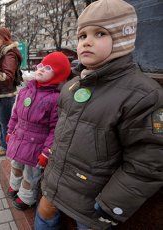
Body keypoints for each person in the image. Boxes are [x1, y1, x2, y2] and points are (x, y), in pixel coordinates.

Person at [35, 0, 163, 229]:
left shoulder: (143, 95)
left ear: (123, 38)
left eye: (100, 33)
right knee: (43, 219)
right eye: (82, 35)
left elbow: (149, 160)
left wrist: (112, 204)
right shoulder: (73, 86)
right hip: (56, 186)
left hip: (94, 201)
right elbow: (63, 133)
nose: (87, 42)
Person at [6, 52, 71, 211]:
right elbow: (15, 114)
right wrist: (9, 130)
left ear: (59, 74)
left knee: (31, 174)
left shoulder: (55, 99)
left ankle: (26, 197)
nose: (41, 69)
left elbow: (55, 129)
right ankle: (15, 185)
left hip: (36, 146)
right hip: (19, 138)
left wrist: (47, 152)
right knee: (15, 164)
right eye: (41, 65)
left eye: (48, 68)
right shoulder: (24, 91)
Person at [0, 27, 22, 157]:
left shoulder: (9, 53)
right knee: (2, 120)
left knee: (5, 121)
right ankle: (2, 138)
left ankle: (6, 146)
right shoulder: (1, 51)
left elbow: (8, 77)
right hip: (0, 92)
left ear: (3, 38)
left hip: (6, 93)